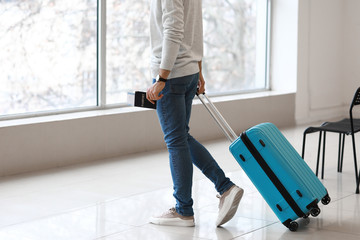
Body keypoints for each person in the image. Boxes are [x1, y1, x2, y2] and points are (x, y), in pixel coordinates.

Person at [146, 0, 244, 227]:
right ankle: (224, 187)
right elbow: (195, 27)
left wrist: (162, 78)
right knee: (181, 137)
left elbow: (174, 29)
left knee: (176, 141)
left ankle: (184, 210)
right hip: (188, 70)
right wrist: (198, 70)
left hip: (172, 74)